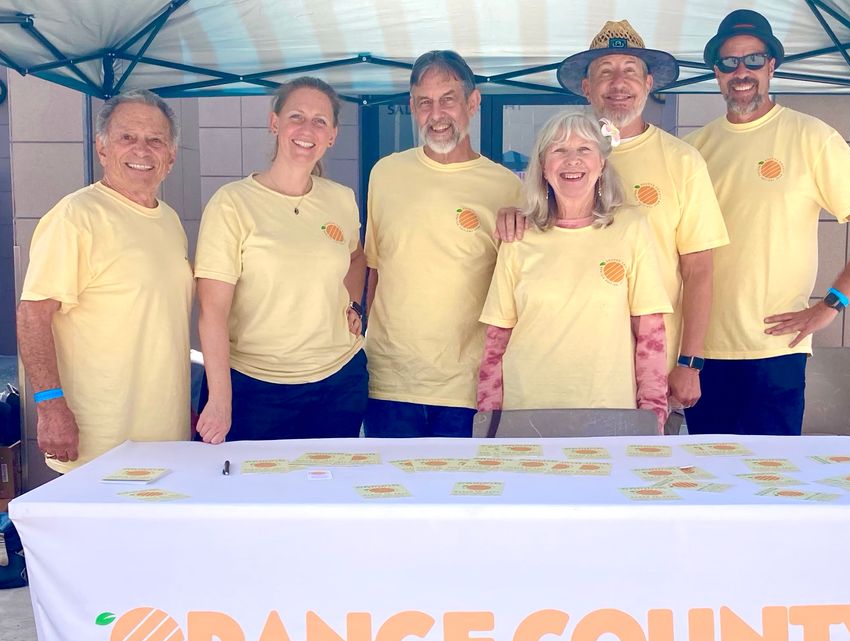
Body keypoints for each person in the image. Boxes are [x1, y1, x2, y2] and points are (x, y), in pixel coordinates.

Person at [499, 21, 729, 425]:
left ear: (649, 83)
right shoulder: (562, 155)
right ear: (587, 87)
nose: (618, 83)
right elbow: (534, 226)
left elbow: (699, 269)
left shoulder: (682, 161)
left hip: (647, 368)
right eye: (605, 72)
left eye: (630, 71)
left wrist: (689, 361)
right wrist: (510, 213)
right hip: (560, 371)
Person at [683, 10, 850, 435]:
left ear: (771, 66)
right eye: (729, 62)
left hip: (775, 348)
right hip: (700, 351)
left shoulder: (811, 137)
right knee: (710, 482)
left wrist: (832, 304)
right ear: (716, 72)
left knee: (769, 483)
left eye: (753, 60)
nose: (741, 71)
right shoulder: (693, 149)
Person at [16, 90, 192, 472]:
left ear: (171, 156)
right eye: (127, 137)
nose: (142, 151)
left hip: (165, 436)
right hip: (99, 443)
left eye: (155, 140)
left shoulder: (170, 221)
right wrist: (50, 405)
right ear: (102, 148)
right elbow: (33, 315)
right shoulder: (75, 217)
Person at [195, 77, 367, 443]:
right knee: (254, 497)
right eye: (296, 116)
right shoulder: (232, 204)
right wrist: (220, 399)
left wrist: (353, 304)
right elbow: (212, 313)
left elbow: (355, 257)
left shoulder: (341, 199)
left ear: (333, 135)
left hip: (338, 381)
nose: (308, 129)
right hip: (257, 389)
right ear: (275, 123)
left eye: (320, 121)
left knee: (327, 494)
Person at [478, 111, 672, 431]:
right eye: (559, 150)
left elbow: (650, 334)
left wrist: (653, 418)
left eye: (584, 149)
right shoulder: (518, 236)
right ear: (542, 167)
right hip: (526, 414)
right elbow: (496, 343)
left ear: (602, 164)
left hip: (609, 413)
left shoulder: (631, 227)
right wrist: (489, 422)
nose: (572, 160)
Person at [364, 50, 522, 437]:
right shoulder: (384, 174)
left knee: (463, 495)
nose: (436, 114)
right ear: (412, 107)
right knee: (390, 493)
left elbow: (516, 289)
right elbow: (373, 269)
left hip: (467, 387)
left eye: (448, 99)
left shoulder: (507, 187)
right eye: (424, 102)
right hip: (388, 381)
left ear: (472, 102)